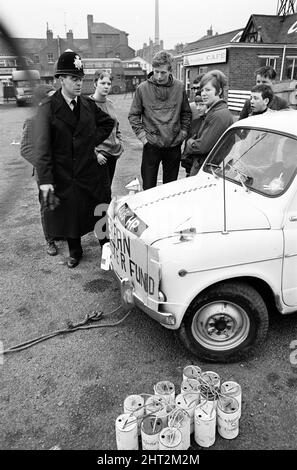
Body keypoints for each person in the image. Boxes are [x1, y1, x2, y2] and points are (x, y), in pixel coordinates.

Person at [35, 51, 114, 268]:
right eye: (74, 79)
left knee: (99, 209)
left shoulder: (87, 105)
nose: (79, 84)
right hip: (65, 174)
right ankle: (75, 252)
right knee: (71, 214)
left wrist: (89, 142)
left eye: (81, 79)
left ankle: (106, 246)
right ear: (62, 79)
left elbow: (108, 123)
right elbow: (41, 150)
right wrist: (46, 180)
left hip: (88, 171)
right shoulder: (48, 109)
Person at [128, 50, 192, 190]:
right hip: (151, 145)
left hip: (173, 144)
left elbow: (186, 113)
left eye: (163, 72)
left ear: (170, 70)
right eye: (156, 71)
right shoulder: (142, 89)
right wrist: (143, 138)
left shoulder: (180, 87)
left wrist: (182, 134)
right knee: (148, 188)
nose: (158, 76)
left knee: (169, 190)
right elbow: (133, 115)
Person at [20, 83, 58, 256]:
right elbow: (25, 148)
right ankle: (49, 240)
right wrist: (44, 163)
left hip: (60, 170)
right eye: (50, 97)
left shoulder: (57, 118)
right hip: (44, 172)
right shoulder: (32, 121)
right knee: (46, 205)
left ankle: (59, 233)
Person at [184, 70, 234, 176]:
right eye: (202, 90)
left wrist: (189, 142)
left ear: (219, 91)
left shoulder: (219, 115)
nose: (203, 94)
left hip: (208, 171)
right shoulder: (214, 111)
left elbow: (201, 147)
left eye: (208, 90)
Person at [89, 70, 124, 189]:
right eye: (102, 83)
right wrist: (95, 154)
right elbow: (83, 135)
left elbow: (116, 126)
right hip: (100, 157)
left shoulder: (110, 104)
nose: (106, 86)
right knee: (100, 191)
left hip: (113, 154)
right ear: (95, 84)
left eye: (108, 84)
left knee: (108, 188)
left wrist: (120, 144)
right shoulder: (88, 105)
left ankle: (105, 208)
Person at [181, 95, 207, 177]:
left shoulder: (211, 122)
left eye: (201, 104)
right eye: (197, 104)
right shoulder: (195, 122)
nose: (198, 108)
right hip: (191, 163)